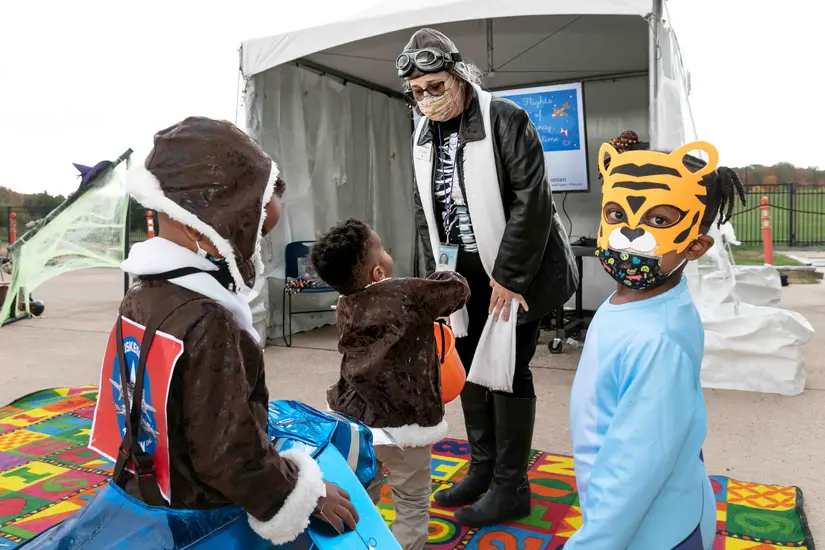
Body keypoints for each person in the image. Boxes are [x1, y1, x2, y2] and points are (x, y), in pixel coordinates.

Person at [113, 117, 357, 546]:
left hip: (153, 492)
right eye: (255, 232)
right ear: (205, 223)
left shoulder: (142, 293)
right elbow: (227, 453)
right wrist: (304, 495)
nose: (255, 249)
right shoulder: (209, 318)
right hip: (201, 514)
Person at [399, 28, 578, 526]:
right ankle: (482, 468)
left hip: (517, 267)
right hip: (464, 272)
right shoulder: (421, 132)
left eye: (436, 86)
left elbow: (531, 200)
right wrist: (439, 277)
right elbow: (425, 210)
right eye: (417, 91)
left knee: (507, 371)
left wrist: (512, 276)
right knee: (471, 364)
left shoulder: (505, 118)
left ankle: (511, 486)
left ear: (459, 76)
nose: (427, 98)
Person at [564, 135, 746, 548]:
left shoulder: (657, 341)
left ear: (696, 245)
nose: (629, 232)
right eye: (615, 213)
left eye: (659, 221)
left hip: (650, 531)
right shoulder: (636, 304)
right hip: (655, 507)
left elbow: (635, 469)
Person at [311, 218, 471, 549]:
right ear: (378, 274)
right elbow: (458, 292)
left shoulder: (344, 305)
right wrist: (445, 271)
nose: (387, 251)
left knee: (360, 490)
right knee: (411, 502)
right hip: (406, 424)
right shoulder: (409, 293)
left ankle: (359, 541)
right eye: (381, 248)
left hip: (356, 420)